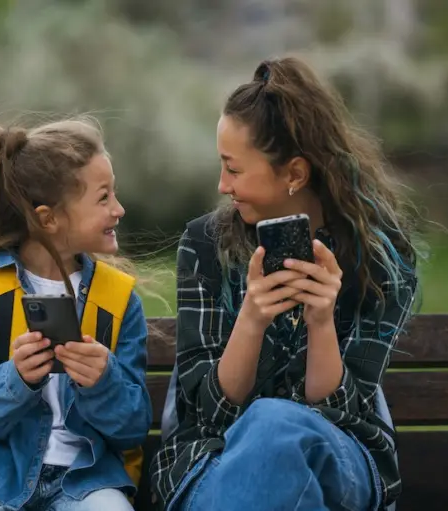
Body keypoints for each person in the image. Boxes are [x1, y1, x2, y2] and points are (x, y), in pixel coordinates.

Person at [151, 56, 421, 511]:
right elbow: (209, 417)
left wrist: (321, 323)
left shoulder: (379, 260)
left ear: (295, 173)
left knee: (278, 427)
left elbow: (342, 415)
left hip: (339, 460)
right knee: (271, 443)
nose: (222, 185)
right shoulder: (205, 246)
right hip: (213, 462)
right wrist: (251, 320)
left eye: (234, 170)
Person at [0, 115, 151, 510]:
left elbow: (133, 430)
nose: (119, 209)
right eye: (103, 197)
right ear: (49, 218)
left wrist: (103, 382)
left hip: (86, 479)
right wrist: (14, 380)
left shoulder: (120, 301)